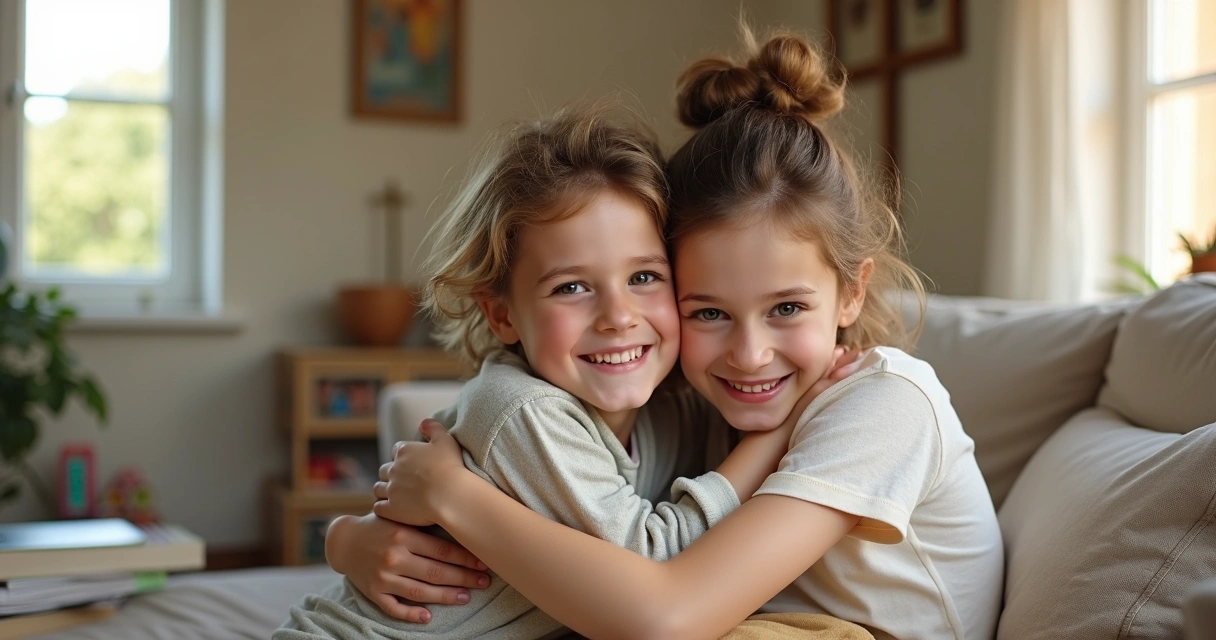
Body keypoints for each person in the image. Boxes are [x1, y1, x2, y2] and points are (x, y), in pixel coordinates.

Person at [372, 30, 1005, 640]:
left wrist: (453, 498)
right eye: (707, 313)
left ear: (852, 291)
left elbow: (663, 615)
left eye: (786, 307)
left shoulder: (884, 403)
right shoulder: (697, 402)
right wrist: (360, 538)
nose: (749, 356)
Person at [275, 104, 867, 640]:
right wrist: (776, 436)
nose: (618, 317)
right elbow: (648, 567)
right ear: (502, 314)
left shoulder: (672, 406)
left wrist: (344, 536)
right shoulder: (519, 410)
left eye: (643, 277)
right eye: (571, 287)